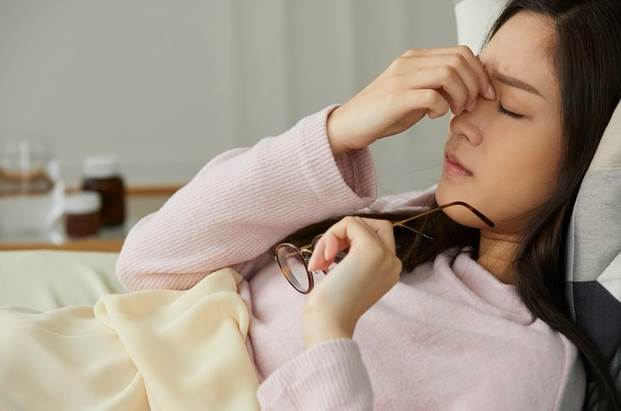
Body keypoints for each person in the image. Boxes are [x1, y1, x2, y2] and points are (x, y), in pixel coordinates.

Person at [116, 0, 621, 409]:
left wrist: (329, 330)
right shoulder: (401, 227)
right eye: (476, 88)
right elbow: (148, 263)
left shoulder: (524, 367)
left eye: (509, 108)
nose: (463, 121)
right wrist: (341, 129)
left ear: (592, 151)